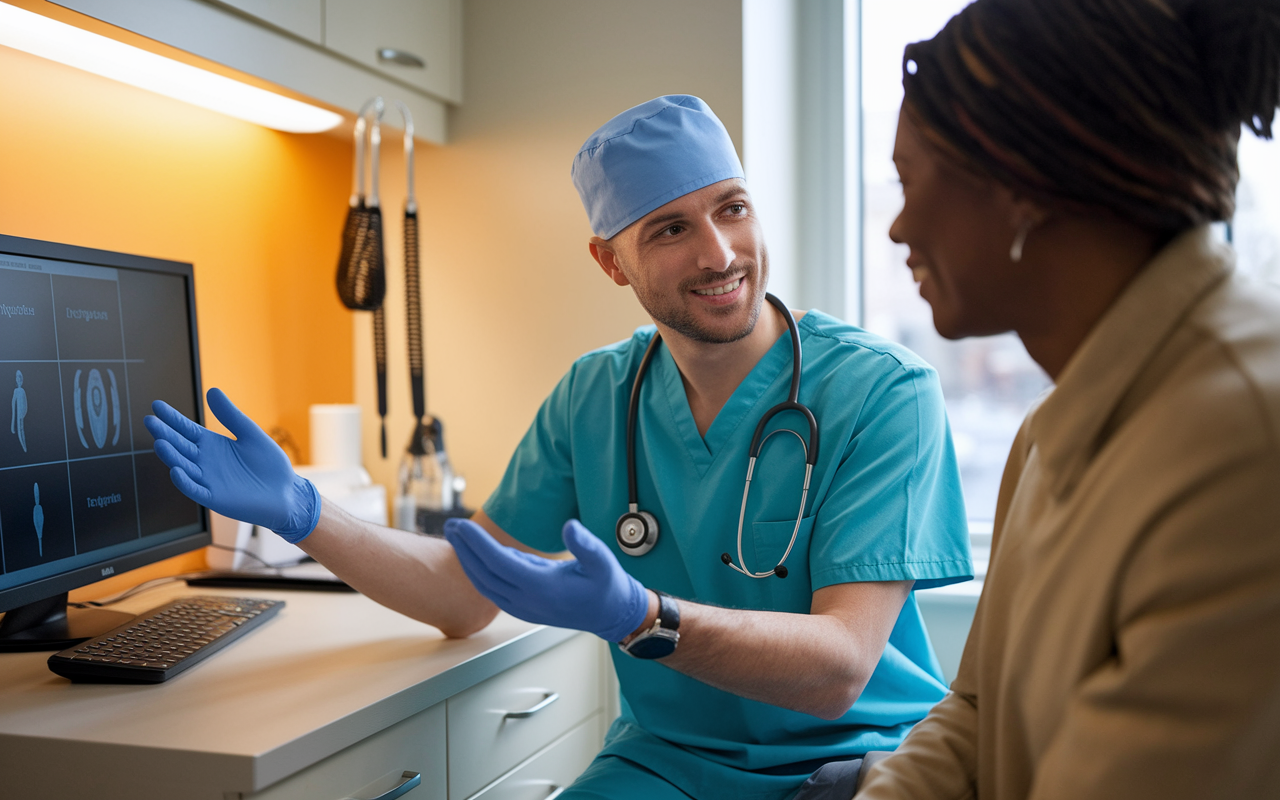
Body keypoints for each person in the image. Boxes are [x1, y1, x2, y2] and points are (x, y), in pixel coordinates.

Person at [145, 95, 973, 800]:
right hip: (671, 767)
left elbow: (838, 670)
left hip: (861, 764)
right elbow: (467, 593)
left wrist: (642, 618)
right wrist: (304, 512)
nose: (719, 253)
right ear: (611, 262)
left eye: (733, 207)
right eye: (671, 229)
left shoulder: (881, 392)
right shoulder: (595, 396)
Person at [843, 1, 1280, 798]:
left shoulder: (1246, 443)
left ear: (1021, 185)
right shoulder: (1053, 430)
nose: (898, 228)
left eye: (910, 182)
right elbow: (977, 709)